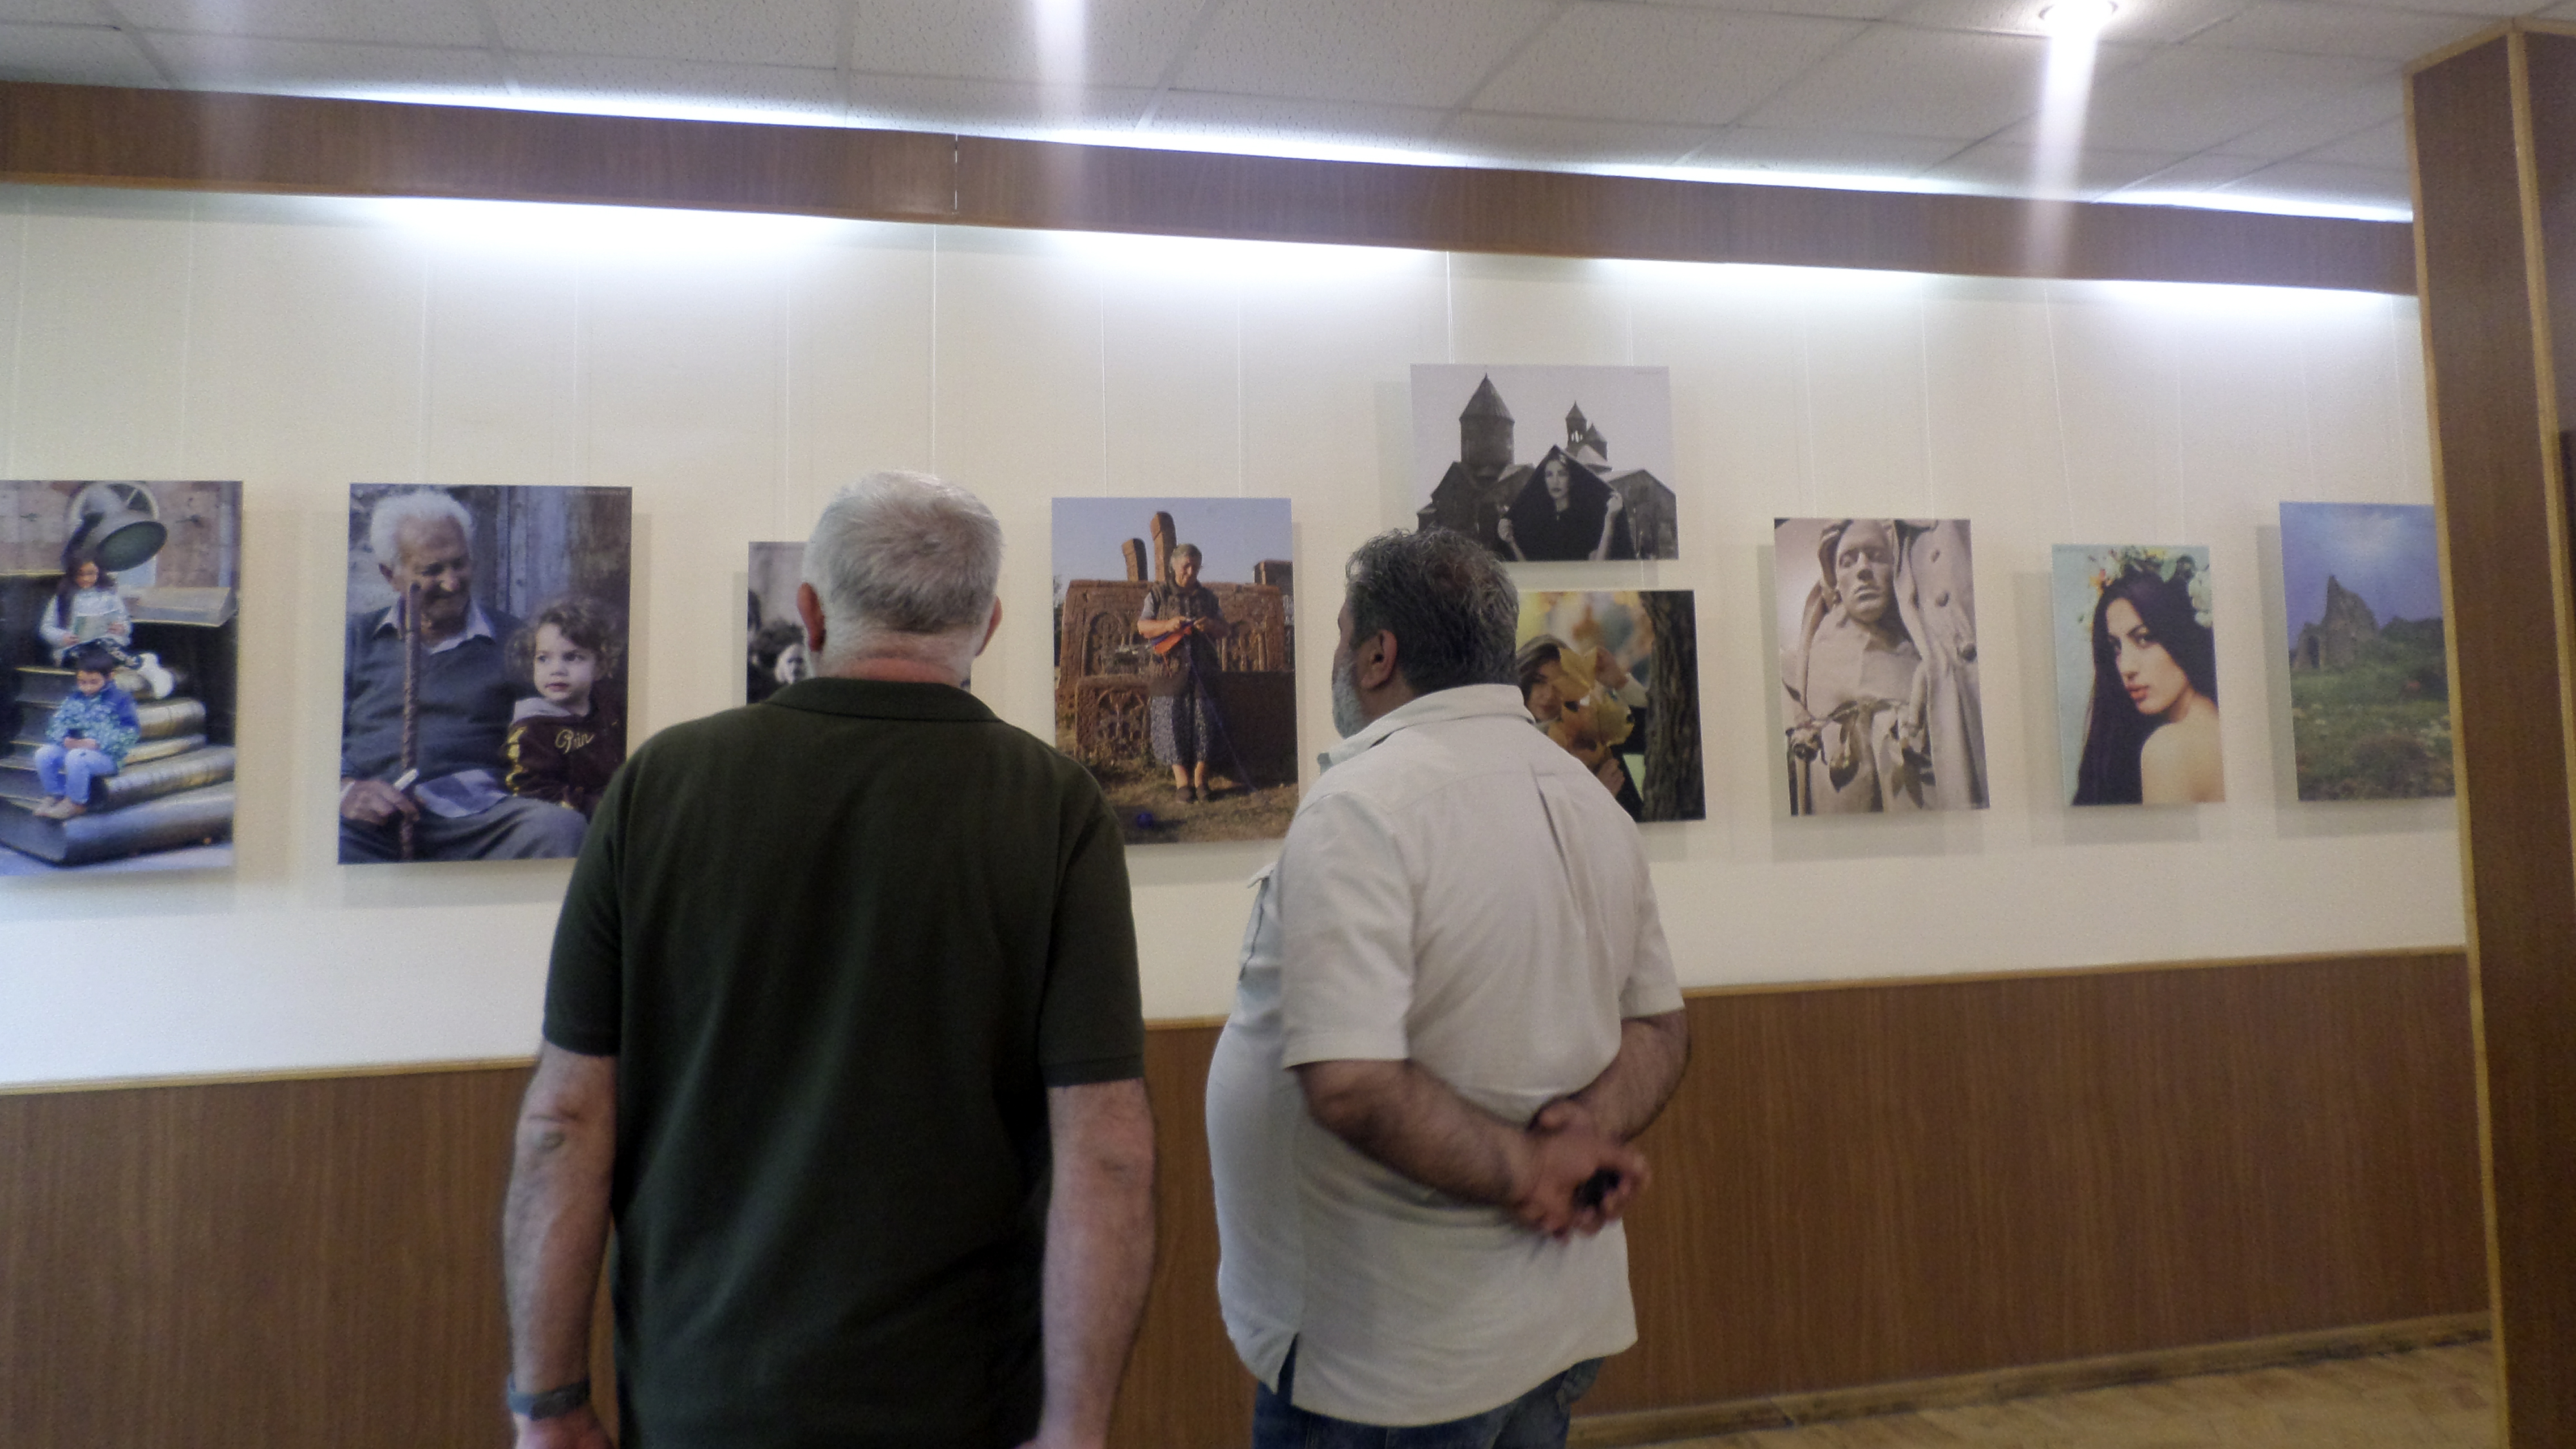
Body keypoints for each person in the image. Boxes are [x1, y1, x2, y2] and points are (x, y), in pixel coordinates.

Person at [502, 471, 1156, 1449]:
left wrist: (549, 1403)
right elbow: (1106, 1150)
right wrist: (1076, 1428)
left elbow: (563, 1122)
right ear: (987, 626)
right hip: (962, 1399)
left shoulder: (662, 785)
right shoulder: (1055, 805)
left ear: (809, 613)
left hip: (702, 1397)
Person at [1206, 527, 1689, 1447]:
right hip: (1544, 1326)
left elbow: (1352, 1084)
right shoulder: (1591, 800)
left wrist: (1532, 1170)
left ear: (1377, 654)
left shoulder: (1363, 805)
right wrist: (1582, 1135)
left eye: (1341, 633)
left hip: (1394, 1366)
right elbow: (1659, 1031)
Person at [337, 489, 590, 863]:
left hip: (482, 821)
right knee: (320, 843)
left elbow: (559, 738)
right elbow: (309, 740)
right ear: (390, 575)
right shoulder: (354, 638)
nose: (452, 583)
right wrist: (345, 790)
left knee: (559, 829)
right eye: (432, 571)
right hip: (371, 824)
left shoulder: (520, 643)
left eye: (459, 564)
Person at [2074, 556, 2222, 805]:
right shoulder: (2224, 729)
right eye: (2116, 648)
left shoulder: (2168, 748)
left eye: (2144, 638)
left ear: (2182, 635)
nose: (2126, 668)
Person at [504, 597, 627, 819]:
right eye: (543, 659)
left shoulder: (608, 709)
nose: (557, 670)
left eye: (572, 658)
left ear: (600, 666)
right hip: (565, 820)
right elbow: (530, 788)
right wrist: (593, 806)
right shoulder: (533, 726)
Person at [1136, 542, 1234, 802]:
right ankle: (1182, 783)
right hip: (1168, 671)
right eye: (1186, 566)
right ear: (1174, 566)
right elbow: (1143, 626)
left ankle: (1201, 779)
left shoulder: (1208, 598)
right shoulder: (1158, 594)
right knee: (1171, 723)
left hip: (1204, 671)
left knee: (1205, 724)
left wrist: (1210, 624)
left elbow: (1225, 630)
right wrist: (1168, 624)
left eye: (1196, 567)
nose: (1191, 572)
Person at [1514, 633, 1645, 818]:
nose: (1549, 695)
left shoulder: (1591, 732)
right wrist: (1595, 797)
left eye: (1560, 684)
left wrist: (1619, 682)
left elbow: (1655, 737)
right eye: (1539, 682)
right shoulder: (1506, 746)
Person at [31, 645, 140, 820]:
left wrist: (97, 743)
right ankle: (56, 795)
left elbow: (130, 731)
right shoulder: (74, 698)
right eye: (82, 682)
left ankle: (76, 803)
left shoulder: (120, 700)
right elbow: (57, 722)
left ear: (109, 677)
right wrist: (64, 738)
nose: (87, 688)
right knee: (44, 754)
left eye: (93, 682)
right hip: (75, 748)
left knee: (77, 757)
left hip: (107, 756)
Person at [1497, 450, 1630, 562]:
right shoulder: (1540, 522)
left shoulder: (1585, 521)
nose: (1555, 481)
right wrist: (1511, 542)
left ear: (1571, 480)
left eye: (1562, 474)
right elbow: (1532, 573)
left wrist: (1609, 519)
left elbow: (1598, 569)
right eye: (1549, 475)